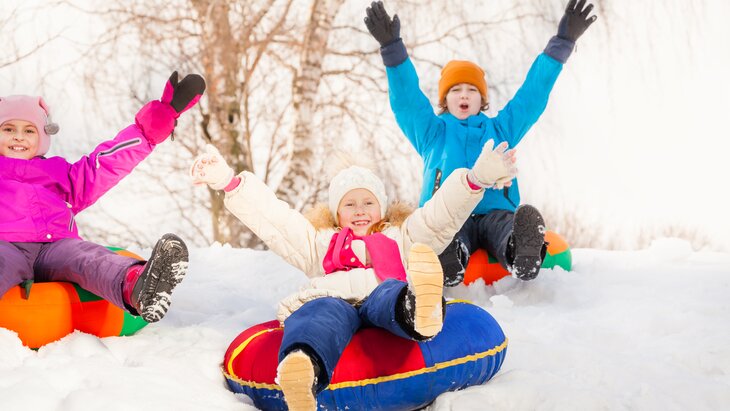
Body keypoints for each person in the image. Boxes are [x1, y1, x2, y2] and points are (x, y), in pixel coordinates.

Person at [190, 139, 515, 411]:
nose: (360, 210)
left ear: (382, 208)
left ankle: (419, 311)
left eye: (368, 202)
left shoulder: (401, 236)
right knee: (318, 313)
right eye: (349, 204)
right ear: (335, 213)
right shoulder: (319, 243)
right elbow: (276, 220)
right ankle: (302, 366)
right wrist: (230, 183)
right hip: (333, 300)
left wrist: (475, 179)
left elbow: (438, 215)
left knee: (391, 294)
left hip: (382, 296)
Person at [364, 0, 597, 283]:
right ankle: (448, 259)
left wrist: (562, 44)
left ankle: (520, 250)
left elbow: (531, 98)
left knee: (505, 227)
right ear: (445, 100)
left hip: (495, 212)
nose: (464, 95)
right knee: (446, 233)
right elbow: (407, 103)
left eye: (471, 90)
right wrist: (392, 50)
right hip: (448, 214)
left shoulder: (501, 128)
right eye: (456, 90)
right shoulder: (432, 133)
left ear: (482, 100)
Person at [0, 71, 205, 323]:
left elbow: (105, 164)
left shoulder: (59, 172)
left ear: (42, 136)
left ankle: (140, 286)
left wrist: (152, 125)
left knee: (88, 258)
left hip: (56, 246)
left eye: (29, 130)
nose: (19, 136)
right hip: (5, 245)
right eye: (8, 128)